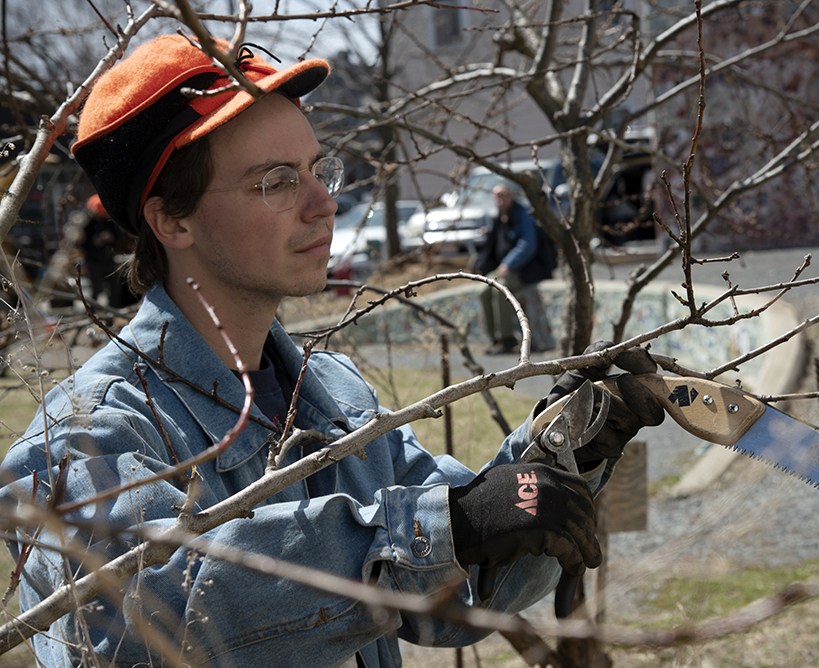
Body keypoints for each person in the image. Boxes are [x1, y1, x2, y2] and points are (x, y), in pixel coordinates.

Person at [0, 34, 665, 666]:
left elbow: (458, 587)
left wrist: (566, 450)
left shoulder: (334, 399)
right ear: (173, 219)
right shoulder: (81, 439)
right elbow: (132, 630)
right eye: (276, 181)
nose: (324, 204)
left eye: (318, 169)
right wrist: (445, 527)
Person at [475, 184, 556, 355]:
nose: (500, 198)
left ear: (512, 196)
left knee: (500, 290)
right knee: (482, 290)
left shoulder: (523, 215)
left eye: (504, 194)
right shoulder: (498, 218)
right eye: (496, 195)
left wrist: (509, 264)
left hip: (527, 270)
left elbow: (528, 245)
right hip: (505, 269)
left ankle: (506, 339)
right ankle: (494, 339)